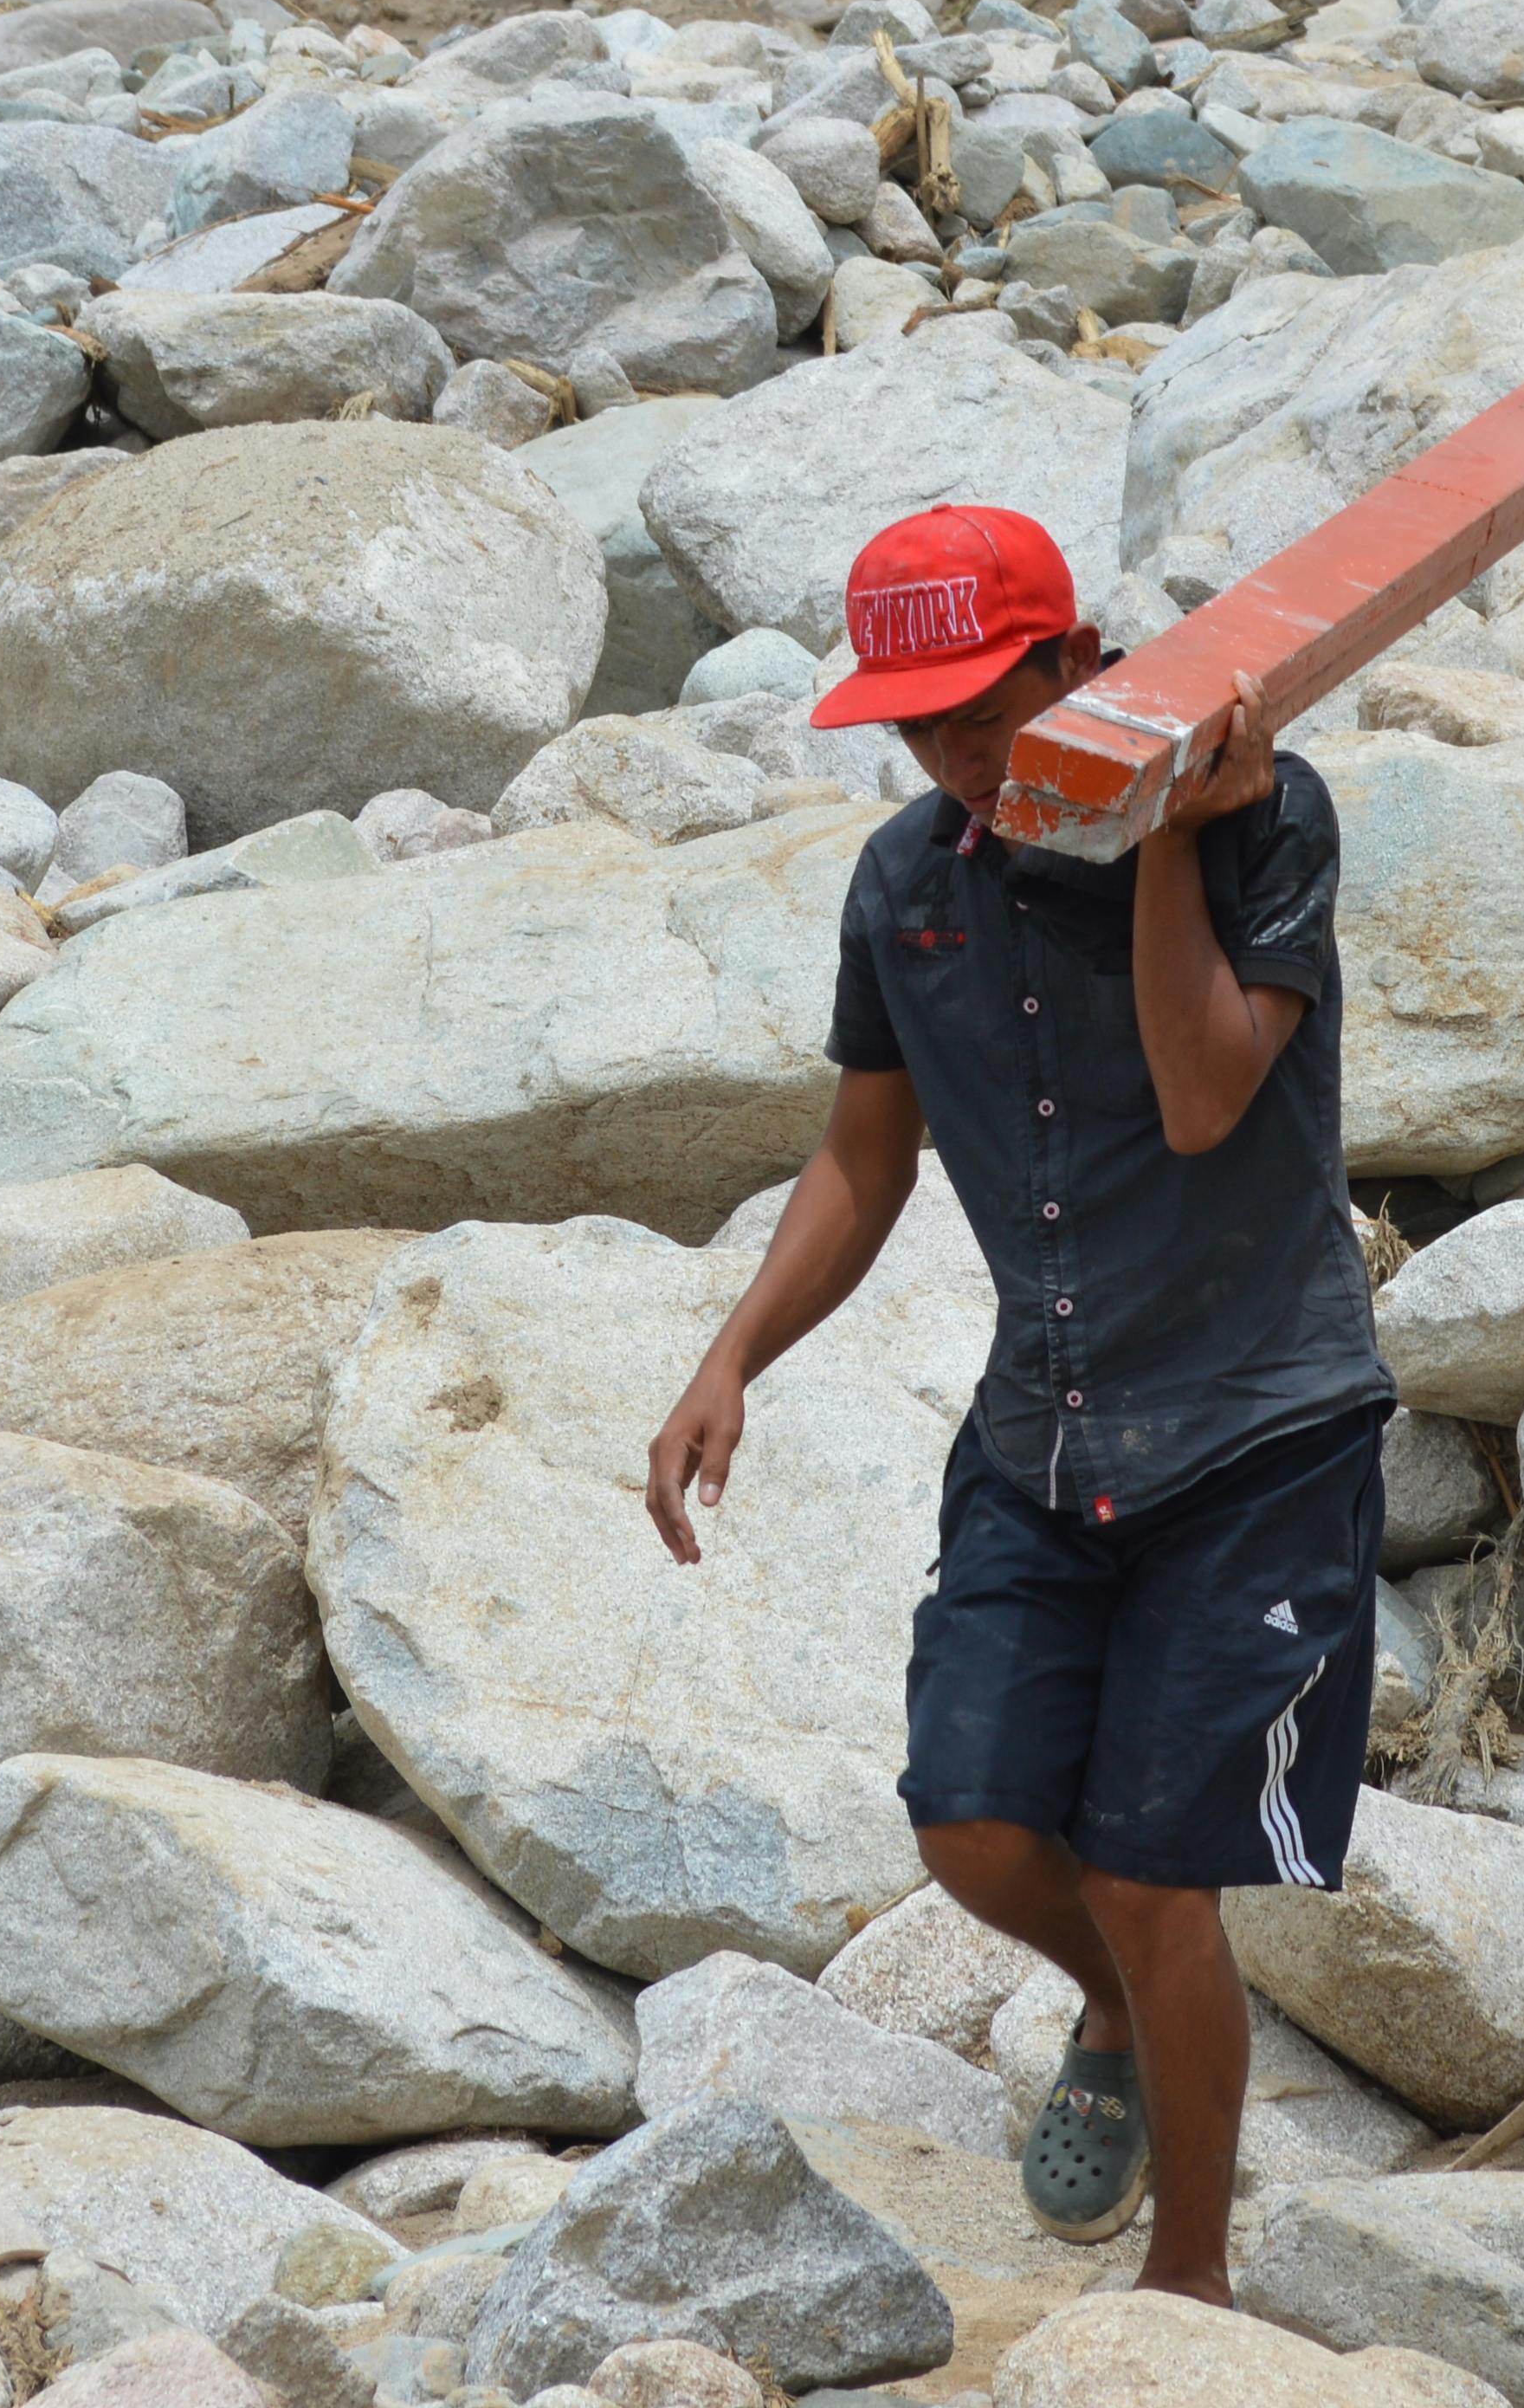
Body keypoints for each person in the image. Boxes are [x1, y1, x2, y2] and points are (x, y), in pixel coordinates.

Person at [639, 503, 1385, 2306]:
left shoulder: (1263, 819)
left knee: (1150, 1870)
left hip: (1256, 1434)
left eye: (986, 709)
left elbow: (1207, 1093)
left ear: (1078, 664)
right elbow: (860, 1152)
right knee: (971, 1822)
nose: (957, 755)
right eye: (919, 724)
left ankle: (1188, 2282)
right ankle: (1122, 2019)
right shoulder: (908, 883)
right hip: (1046, 1429)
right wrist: (732, 1351)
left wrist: (1147, 845)